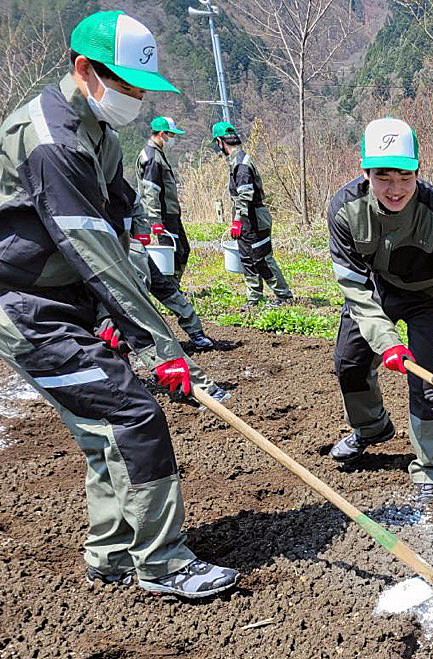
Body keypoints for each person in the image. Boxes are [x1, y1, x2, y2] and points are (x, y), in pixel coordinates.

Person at [0, 10, 238, 599]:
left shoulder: (98, 134)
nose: (135, 98)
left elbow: (116, 222)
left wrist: (112, 316)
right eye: (126, 85)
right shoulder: (52, 142)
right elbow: (93, 248)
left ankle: (111, 554)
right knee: (132, 414)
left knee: (105, 424)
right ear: (85, 70)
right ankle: (163, 563)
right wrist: (159, 346)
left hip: (68, 298)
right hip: (27, 306)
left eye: (140, 89)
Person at [326, 117, 433, 504]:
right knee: (349, 362)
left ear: (417, 172)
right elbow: (354, 288)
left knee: (429, 385)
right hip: (376, 292)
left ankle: (428, 468)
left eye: (404, 177)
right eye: (383, 177)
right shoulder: (344, 210)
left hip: (430, 299)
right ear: (365, 172)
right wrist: (388, 342)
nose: (395, 189)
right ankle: (371, 427)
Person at [134, 115, 215, 350]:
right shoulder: (151, 157)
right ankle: (170, 290)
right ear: (161, 134)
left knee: (182, 251)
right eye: (170, 135)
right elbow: (151, 190)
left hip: (171, 213)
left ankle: (173, 286)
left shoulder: (158, 155)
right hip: (162, 216)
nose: (172, 139)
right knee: (169, 258)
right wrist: (155, 220)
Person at [210, 120, 294, 308]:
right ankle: (254, 299)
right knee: (247, 258)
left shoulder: (241, 165)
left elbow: (245, 195)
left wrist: (237, 221)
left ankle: (284, 296)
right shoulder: (236, 162)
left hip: (254, 217)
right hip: (246, 219)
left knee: (262, 258)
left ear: (220, 142)